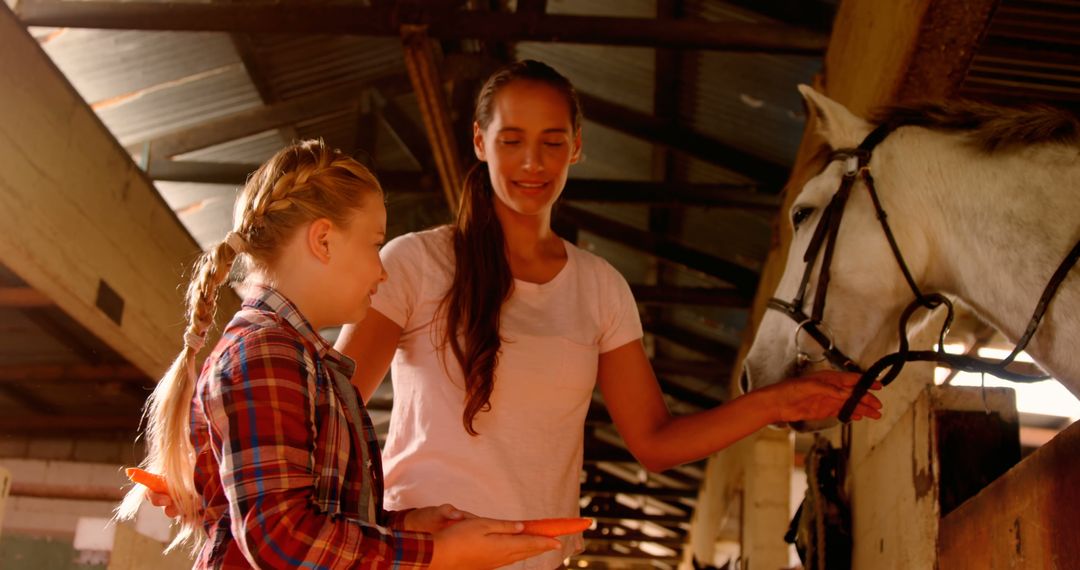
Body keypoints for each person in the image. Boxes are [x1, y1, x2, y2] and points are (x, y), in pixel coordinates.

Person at [335, 60, 883, 569]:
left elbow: (655, 442)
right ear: (480, 143)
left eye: (552, 141)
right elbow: (331, 413)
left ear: (576, 147)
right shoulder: (415, 263)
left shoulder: (599, 288)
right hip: (420, 559)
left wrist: (777, 401)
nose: (533, 162)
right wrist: (390, 521)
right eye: (511, 141)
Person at [116, 140, 560, 569]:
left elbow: (325, 522)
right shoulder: (267, 356)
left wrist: (408, 528)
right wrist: (435, 556)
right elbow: (280, 538)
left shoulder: (302, 359)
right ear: (324, 240)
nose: (382, 270)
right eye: (374, 244)